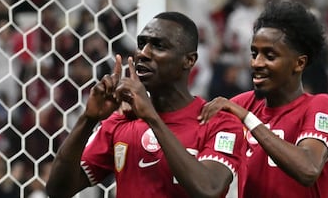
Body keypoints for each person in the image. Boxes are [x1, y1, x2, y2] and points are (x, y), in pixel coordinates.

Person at [46, 11, 245, 198]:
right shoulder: (120, 122)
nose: (144, 53)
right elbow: (58, 190)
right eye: (141, 44)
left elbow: (209, 189)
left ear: (189, 60)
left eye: (159, 46)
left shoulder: (220, 122)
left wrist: (152, 117)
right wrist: (88, 119)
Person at [198, 1, 328, 198]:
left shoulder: (320, 106)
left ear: (299, 63)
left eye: (270, 56)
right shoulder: (242, 104)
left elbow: (308, 169)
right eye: (254, 53)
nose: (256, 63)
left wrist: (248, 119)